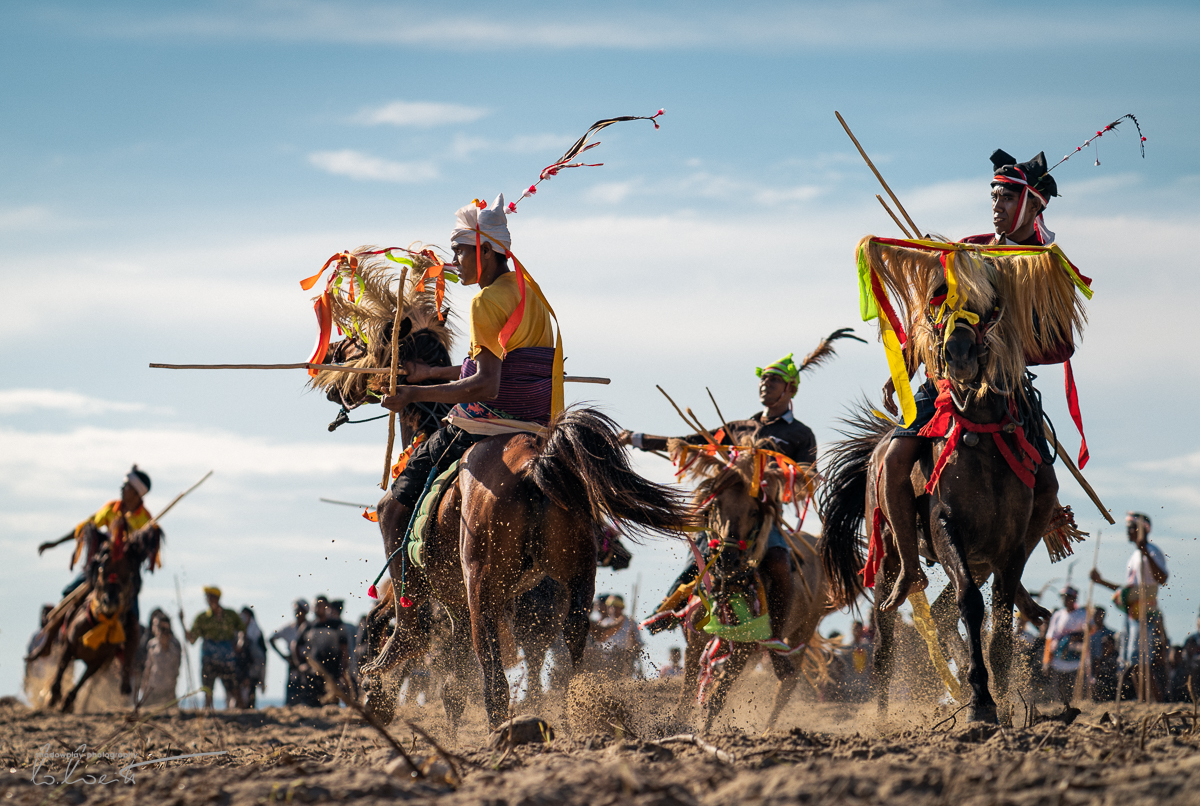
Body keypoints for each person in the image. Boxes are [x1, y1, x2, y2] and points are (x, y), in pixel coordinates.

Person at [878, 150, 1072, 611]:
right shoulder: (969, 249)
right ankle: (908, 566)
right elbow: (932, 313)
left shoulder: (1046, 267)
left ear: (1032, 205)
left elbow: (1061, 344)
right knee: (895, 459)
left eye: (1006, 197)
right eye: (993, 196)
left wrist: (1006, 344)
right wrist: (907, 359)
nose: (996, 205)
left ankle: (1011, 579)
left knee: (1046, 488)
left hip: (1007, 389)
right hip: (949, 380)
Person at [375, 195, 559, 566]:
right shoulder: (530, 292)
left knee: (392, 507)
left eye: (460, 251)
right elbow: (505, 364)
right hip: (538, 425)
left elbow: (486, 385)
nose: (454, 262)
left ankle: (409, 616)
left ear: (486, 251)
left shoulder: (485, 301)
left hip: (488, 422)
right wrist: (431, 373)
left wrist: (411, 392)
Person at [627, 354, 818, 655]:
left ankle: (776, 635)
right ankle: (668, 606)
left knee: (780, 563)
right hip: (724, 512)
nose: (765, 383)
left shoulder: (800, 434)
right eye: (763, 378)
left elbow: (808, 474)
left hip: (763, 516)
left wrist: (770, 474)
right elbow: (690, 441)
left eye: (774, 379)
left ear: (790, 389)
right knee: (700, 557)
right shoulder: (739, 428)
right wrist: (637, 438)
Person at [38, 466, 153, 598]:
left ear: (136, 493)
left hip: (126, 571)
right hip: (103, 562)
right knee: (70, 592)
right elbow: (85, 528)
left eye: (126, 486)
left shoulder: (146, 520)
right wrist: (56, 543)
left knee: (132, 608)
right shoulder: (111, 508)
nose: (121, 488)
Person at [1090, 511, 1169, 700]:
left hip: (1145, 612)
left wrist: (1145, 553)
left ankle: (1155, 702)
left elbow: (1162, 578)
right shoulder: (1134, 556)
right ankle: (1142, 700)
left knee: (1141, 660)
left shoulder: (1152, 551)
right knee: (1130, 662)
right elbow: (1128, 591)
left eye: (1131, 528)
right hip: (1132, 614)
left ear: (1142, 530)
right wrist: (1101, 582)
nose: (1128, 532)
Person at [181, 586, 244, 709]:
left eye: (211, 597)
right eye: (207, 597)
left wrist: (240, 642)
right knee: (208, 689)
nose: (209, 600)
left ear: (217, 598)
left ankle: (243, 710)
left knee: (234, 688)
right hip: (209, 658)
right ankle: (209, 713)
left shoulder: (231, 615)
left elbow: (242, 630)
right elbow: (192, 639)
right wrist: (182, 622)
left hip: (227, 658)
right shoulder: (202, 618)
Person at [295, 595, 350, 704]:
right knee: (311, 703)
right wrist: (300, 664)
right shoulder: (308, 626)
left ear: (326, 607)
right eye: (315, 605)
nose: (316, 608)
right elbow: (295, 645)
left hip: (332, 672)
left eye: (319, 605)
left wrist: (343, 670)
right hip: (312, 672)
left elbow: (344, 649)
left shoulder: (336, 625)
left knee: (331, 703)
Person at [1042, 586, 1087, 702]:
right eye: (1063, 597)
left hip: (1076, 660)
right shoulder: (1057, 615)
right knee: (1059, 691)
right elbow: (1049, 638)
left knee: (1075, 689)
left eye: (1068, 597)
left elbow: (1089, 633)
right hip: (1058, 658)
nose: (1065, 600)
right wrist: (1046, 660)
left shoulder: (1082, 614)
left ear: (1074, 598)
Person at [269, 599, 310, 706]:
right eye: (296, 611)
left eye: (299, 610)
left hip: (308, 662)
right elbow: (271, 639)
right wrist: (283, 656)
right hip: (293, 662)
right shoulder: (289, 628)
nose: (297, 613)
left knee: (308, 688)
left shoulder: (311, 627)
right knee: (293, 687)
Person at [593, 595, 643, 678]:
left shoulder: (631, 623)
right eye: (611, 607)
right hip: (608, 656)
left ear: (622, 608)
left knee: (624, 680)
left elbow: (638, 644)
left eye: (616, 607)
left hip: (625, 656)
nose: (613, 609)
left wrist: (632, 637)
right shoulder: (604, 623)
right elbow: (599, 641)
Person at [140, 613, 182, 707]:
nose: (158, 630)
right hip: (152, 687)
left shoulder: (175, 644)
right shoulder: (152, 643)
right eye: (156, 626)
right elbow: (148, 666)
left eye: (162, 628)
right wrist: (144, 684)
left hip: (168, 689)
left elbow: (176, 668)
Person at [236, 606, 267, 708]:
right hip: (240, 667)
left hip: (254, 667)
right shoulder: (237, 632)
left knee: (250, 692)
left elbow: (261, 656)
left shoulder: (256, 633)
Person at [1089, 606, 1120, 702]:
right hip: (1090, 665)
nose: (1098, 617)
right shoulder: (1087, 634)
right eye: (1095, 614)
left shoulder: (1111, 633)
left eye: (1100, 614)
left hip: (1106, 665)